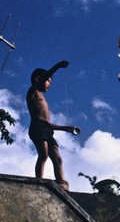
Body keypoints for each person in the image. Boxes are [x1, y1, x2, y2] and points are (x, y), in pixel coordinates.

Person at [27, 60, 80, 191]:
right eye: (48, 81)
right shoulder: (33, 92)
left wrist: (66, 128)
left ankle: (62, 183)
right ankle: (39, 180)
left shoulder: (43, 98)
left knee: (57, 158)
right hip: (37, 126)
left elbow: (48, 123)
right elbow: (41, 121)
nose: (49, 84)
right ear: (39, 79)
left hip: (46, 128)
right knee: (43, 154)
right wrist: (57, 66)